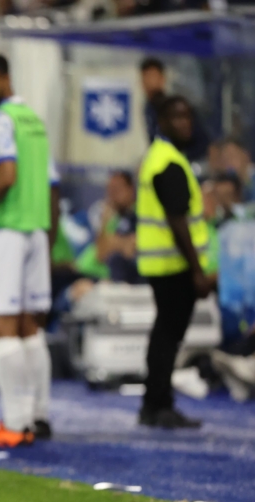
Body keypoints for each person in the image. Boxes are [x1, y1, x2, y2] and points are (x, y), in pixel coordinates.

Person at [0, 52, 59, 448]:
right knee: (29, 327)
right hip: (35, 229)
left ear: (5, 79)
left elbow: (6, 175)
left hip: (3, 230)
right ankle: (39, 414)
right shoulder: (32, 120)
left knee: (2, 326)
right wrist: (47, 234)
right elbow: (52, 183)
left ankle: (16, 424)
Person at [136, 96, 215, 428]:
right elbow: (177, 220)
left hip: (163, 265)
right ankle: (159, 404)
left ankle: (153, 404)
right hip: (174, 267)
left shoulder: (162, 157)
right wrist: (197, 271)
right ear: (163, 122)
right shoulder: (167, 162)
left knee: (163, 335)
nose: (185, 123)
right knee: (168, 336)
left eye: (188, 116)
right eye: (176, 117)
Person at [140, 57, 208, 162]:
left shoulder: (172, 107)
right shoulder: (149, 108)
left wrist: (181, 157)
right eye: (146, 77)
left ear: (162, 79)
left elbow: (199, 139)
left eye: (153, 76)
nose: (149, 82)